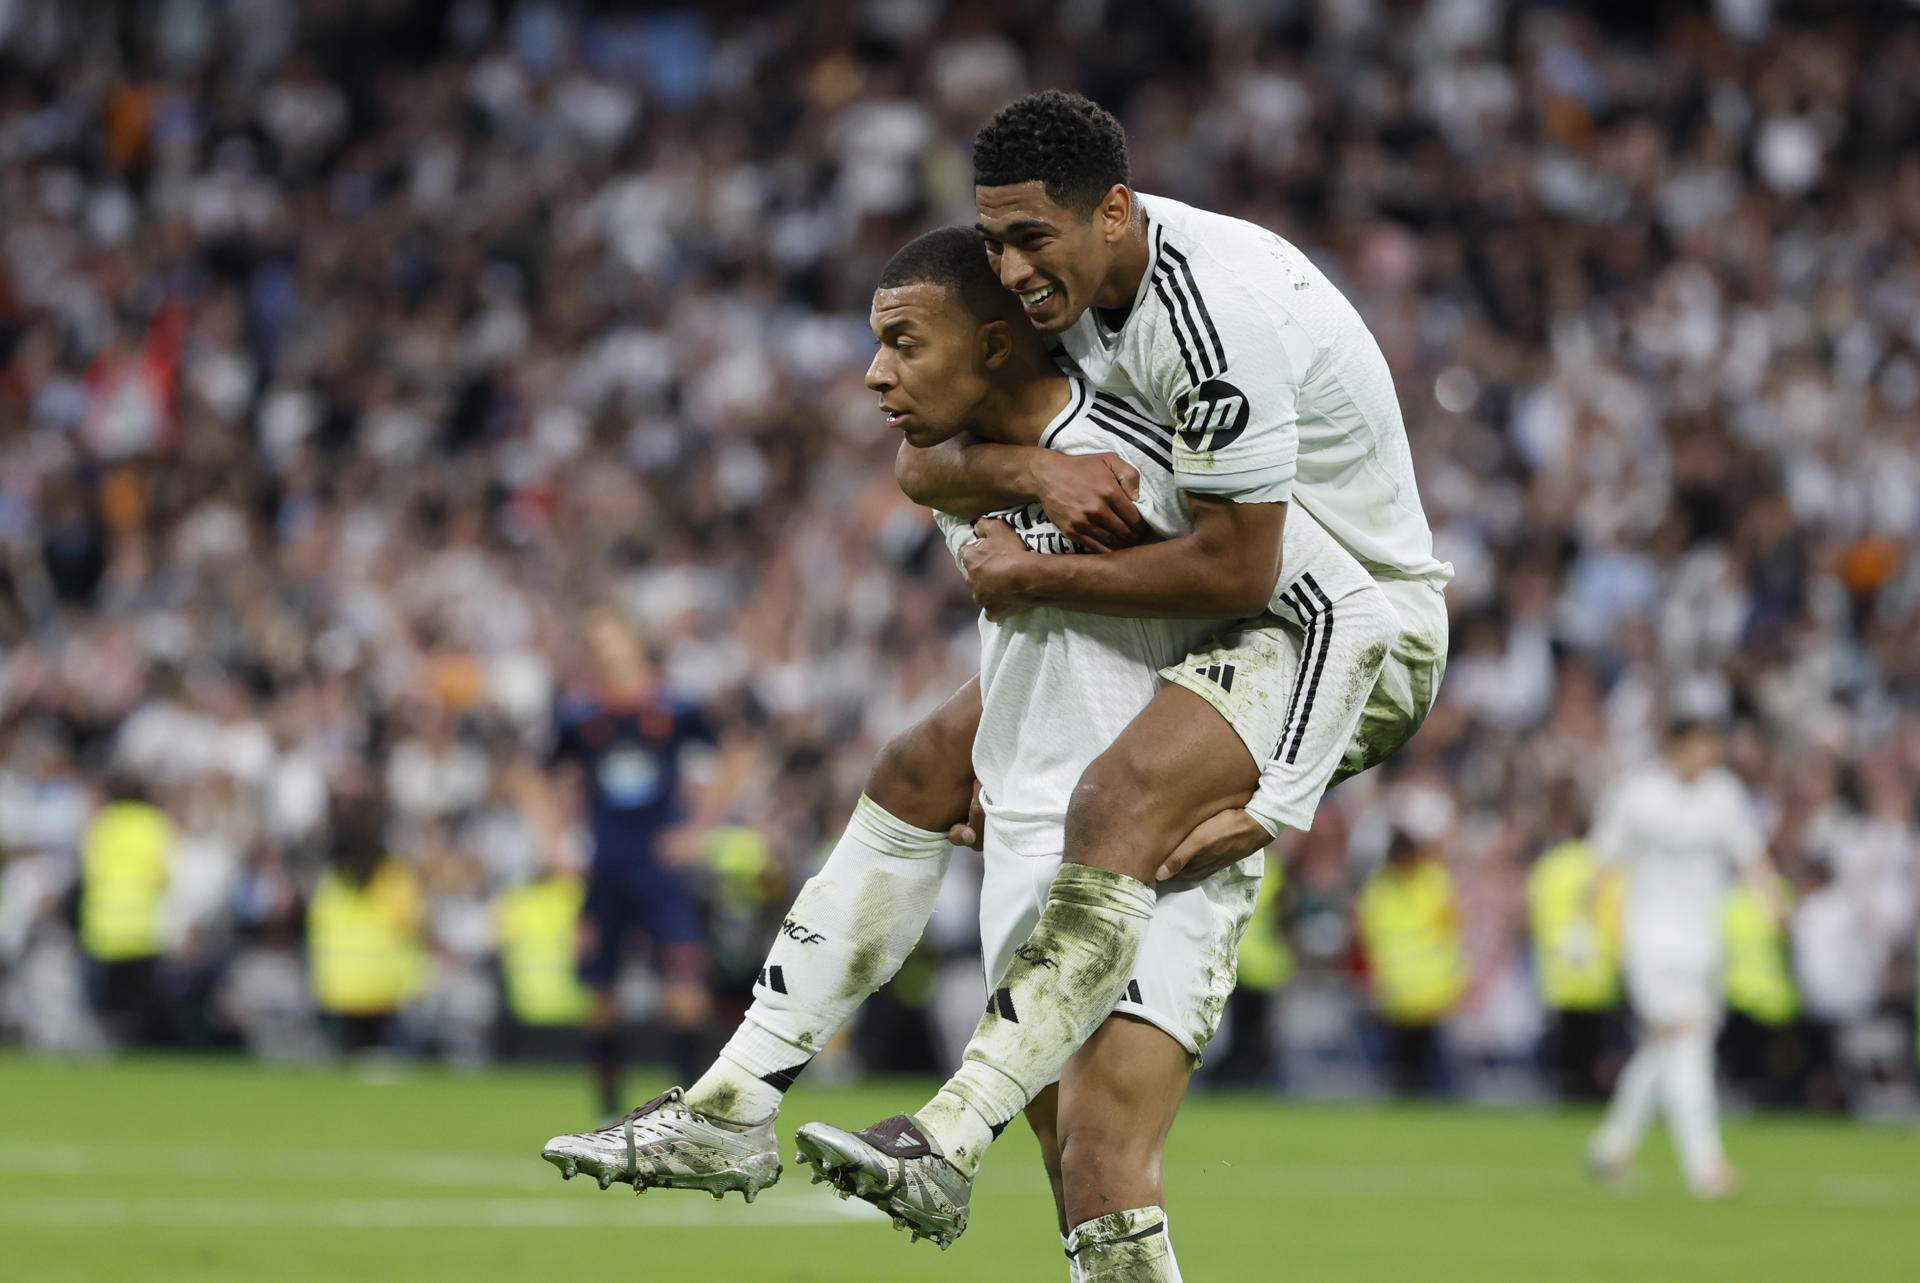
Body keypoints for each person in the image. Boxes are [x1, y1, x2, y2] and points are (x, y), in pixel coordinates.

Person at [538, 226, 1386, 1268]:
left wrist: (1280, 797)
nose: (872, 371)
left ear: (993, 344)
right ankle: (733, 1098)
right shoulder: (958, 472)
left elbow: (1354, 609)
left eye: (902, 342)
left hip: (1137, 838)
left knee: (1107, 1154)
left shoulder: (1138, 447)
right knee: (1078, 1178)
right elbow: (978, 547)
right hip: (1032, 819)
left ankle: (867, 1123)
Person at [798, 90, 1453, 1264]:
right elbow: (929, 453)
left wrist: (1278, 796)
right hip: (1226, 627)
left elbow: (1237, 563)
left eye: (1029, 239)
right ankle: (742, 1089)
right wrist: (1036, 483)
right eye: (991, 240)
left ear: (1113, 211)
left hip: (1351, 632)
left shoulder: (1208, 319)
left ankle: (948, 1129)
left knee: (1111, 803)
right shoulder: (1078, 296)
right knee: (1079, 1128)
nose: (1008, 268)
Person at [1586, 715, 1785, 1198]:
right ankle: (1705, 1164)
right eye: (1699, 745)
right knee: (1688, 1038)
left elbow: (1750, 855)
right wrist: (1581, 926)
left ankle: (1611, 1145)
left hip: (1702, 941)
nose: (1708, 755)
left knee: (1664, 1043)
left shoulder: (1725, 794)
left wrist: (1771, 901)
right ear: (1675, 745)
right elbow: (1603, 862)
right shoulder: (1638, 793)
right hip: (1649, 936)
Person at [548, 607, 720, 1116]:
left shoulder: (674, 707)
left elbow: (735, 752)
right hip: (605, 868)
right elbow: (539, 773)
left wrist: (701, 828)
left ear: (635, 642)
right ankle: (606, 1108)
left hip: (660, 869)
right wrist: (554, 837)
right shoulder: (581, 715)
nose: (605, 652)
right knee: (601, 997)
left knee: (684, 994)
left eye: (612, 640)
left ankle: (698, 1108)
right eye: (596, 644)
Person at [1356, 824, 1466, 1096]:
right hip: (1396, 993)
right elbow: (1369, 939)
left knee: (1433, 1075)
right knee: (1401, 1074)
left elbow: (1451, 935)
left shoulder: (1435, 883)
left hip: (1431, 992)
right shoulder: (1381, 888)